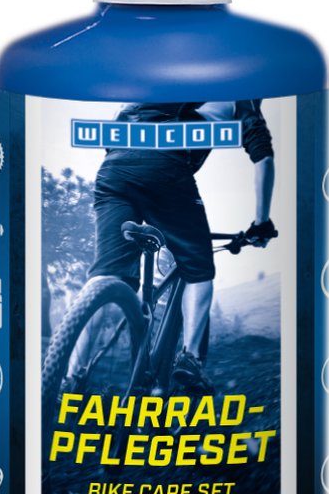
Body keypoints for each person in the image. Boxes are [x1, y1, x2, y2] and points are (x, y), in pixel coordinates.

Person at [87, 101, 276, 394]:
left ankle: (67, 375)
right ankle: (191, 360)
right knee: (199, 269)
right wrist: (261, 224)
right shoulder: (241, 94)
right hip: (165, 168)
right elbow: (262, 155)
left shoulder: (159, 82)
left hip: (113, 168)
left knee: (108, 276)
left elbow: (118, 122)